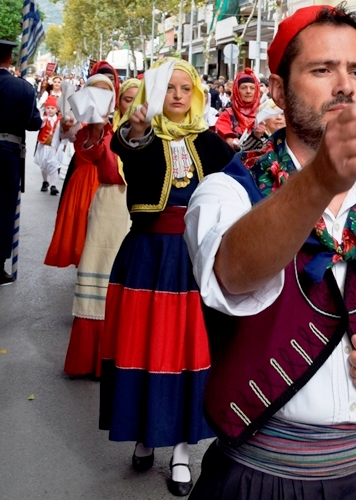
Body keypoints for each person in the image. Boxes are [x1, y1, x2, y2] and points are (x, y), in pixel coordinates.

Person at [184, 5, 356, 499]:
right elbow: (233, 275)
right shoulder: (227, 192)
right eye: (322, 69)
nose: (345, 85)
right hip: (263, 479)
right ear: (277, 89)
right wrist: (320, 180)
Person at [100, 59, 235, 496]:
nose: (177, 95)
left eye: (184, 87)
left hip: (194, 261)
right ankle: (144, 435)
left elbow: (242, 180)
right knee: (142, 347)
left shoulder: (212, 144)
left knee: (185, 352)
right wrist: (136, 128)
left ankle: (180, 448)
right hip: (146, 259)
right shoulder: (141, 138)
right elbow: (126, 147)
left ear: (195, 93)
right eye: (168, 88)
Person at [63, 76, 139, 378]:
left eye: (136, 98)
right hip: (108, 205)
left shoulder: (156, 135)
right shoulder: (105, 130)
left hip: (138, 211)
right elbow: (98, 158)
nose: (130, 104)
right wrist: (96, 126)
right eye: (126, 99)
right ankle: (91, 358)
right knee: (98, 270)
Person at [43, 67, 121, 269]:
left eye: (106, 92)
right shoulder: (77, 121)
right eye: (96, 91)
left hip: (108, 187)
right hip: (81, 185)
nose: (101, 97)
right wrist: (67, 124)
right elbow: (64, 136)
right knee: (81, 232)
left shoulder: (122, 123)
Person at [0, 40, 42, 285]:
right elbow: (33, 123)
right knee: (4, 208)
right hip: (8, 152)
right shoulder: (23, 88)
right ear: (10, 59)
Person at [214, 68, 261, 151]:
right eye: (243, 88)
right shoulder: (228, 114)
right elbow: (224, 133)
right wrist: (233, 142)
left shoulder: (262, 112)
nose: (248, 91)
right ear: (236, 90)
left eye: (252, 88)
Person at [34, 96, 62, 194]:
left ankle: (53, 185)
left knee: (54, 164)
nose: (50, 110)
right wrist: (42, 121)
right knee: (43, 164)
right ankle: (45, 181)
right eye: (48, 108)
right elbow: (38, 127)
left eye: (52, 108)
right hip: (43, 145)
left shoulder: (59, 120)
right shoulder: (43, 119)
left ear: (57, 109)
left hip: (54, 147)